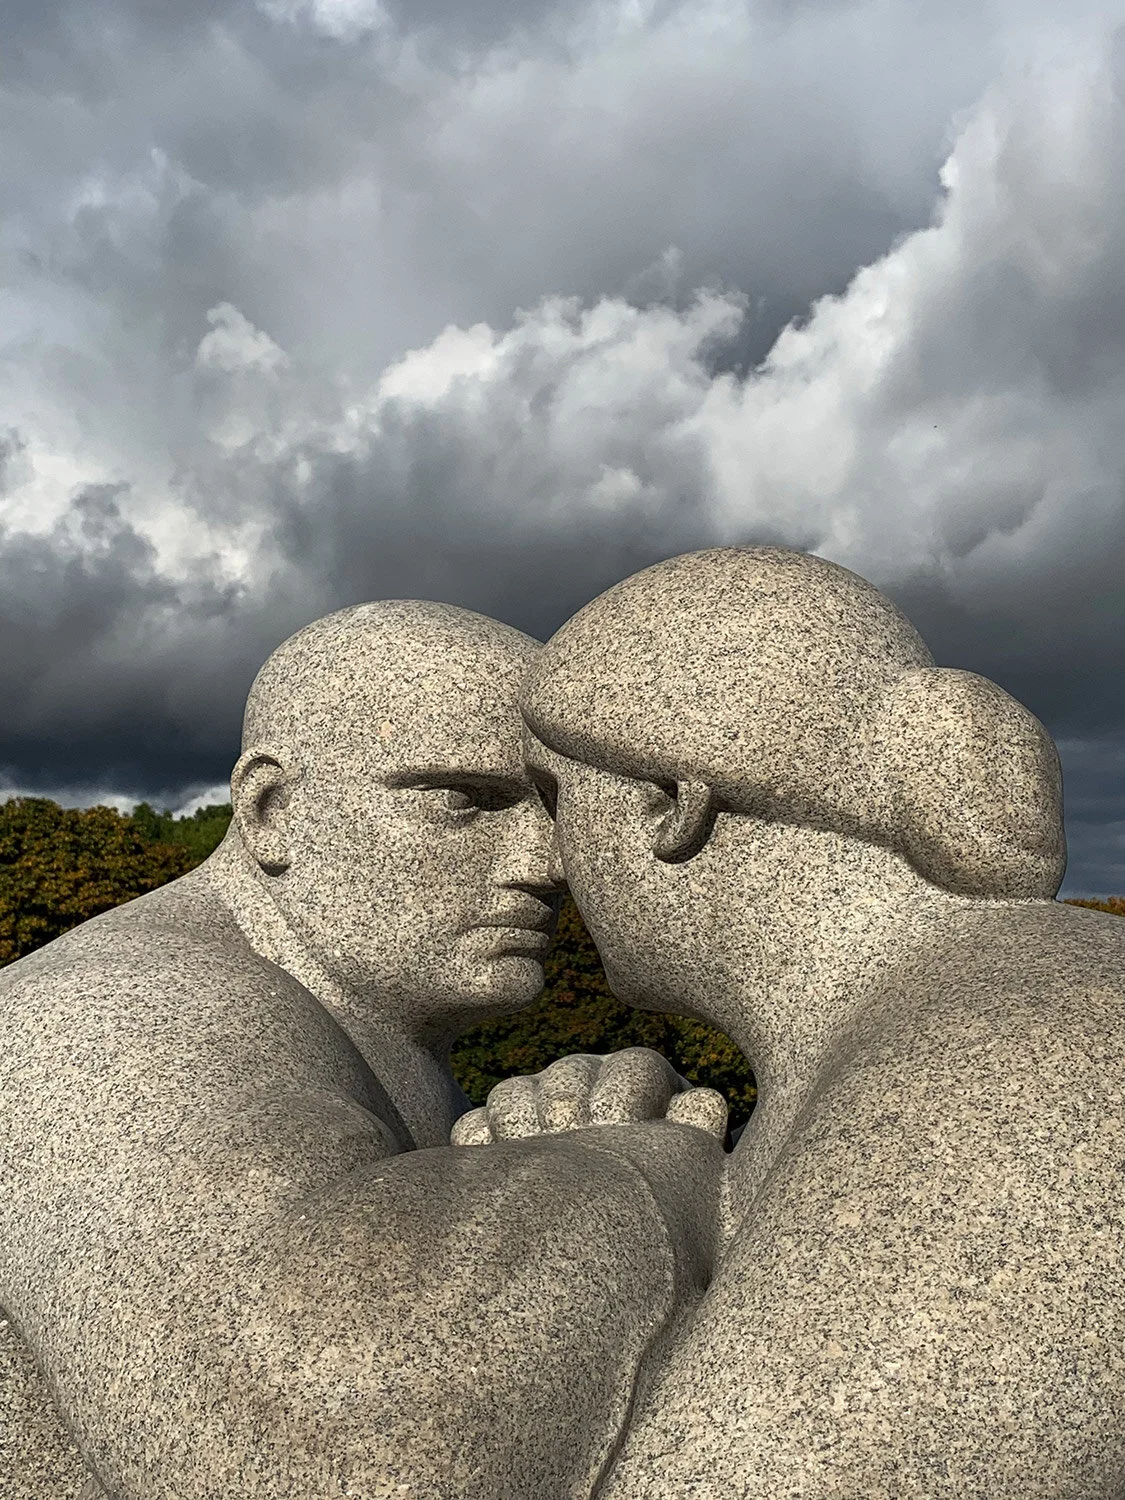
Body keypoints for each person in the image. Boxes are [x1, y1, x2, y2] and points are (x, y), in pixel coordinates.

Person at [0, 600, 726, 1500]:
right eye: (465, 801)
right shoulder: (113, 1017)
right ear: (271, 811)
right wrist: (657, 1168)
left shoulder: (345, 1024)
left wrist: (541, 1152)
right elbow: (320, 1441)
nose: (549, 863)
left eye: (554, 808)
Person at [516, 545, 1125, 1499]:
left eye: (554, 800)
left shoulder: (1016, 1056)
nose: (546, 860)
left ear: (669, 804)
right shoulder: (938, 1030)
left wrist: (601, 1207)